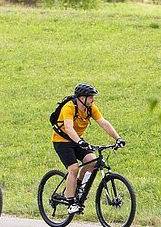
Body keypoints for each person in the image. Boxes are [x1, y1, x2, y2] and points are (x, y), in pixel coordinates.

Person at [51, 82, 124, 214]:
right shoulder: (69, 107)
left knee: (92, 161)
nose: (93, 99)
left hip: (77, 140)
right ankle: (71, 202)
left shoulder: (91, 108)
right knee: (73, 168)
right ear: (81, 98)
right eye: (90, 97)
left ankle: (78, 187)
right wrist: (79, 141)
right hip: (61, 141)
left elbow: (103, 123)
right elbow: (68, 127)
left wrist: (118, 138)